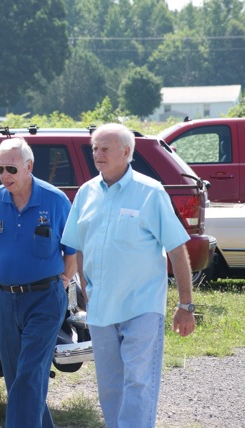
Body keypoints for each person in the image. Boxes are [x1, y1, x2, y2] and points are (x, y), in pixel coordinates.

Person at [60, 123, 195, 428]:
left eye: (105, 148)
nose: (98, 154)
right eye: (95, 148)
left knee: (138, 383)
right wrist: (87, 291)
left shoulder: (150, 192)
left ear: (127, 152)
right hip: (101, 308)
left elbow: (176, 249)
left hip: (141, 306)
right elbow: (79, 246)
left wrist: (185, 305)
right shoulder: (86, 193)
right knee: (110, 387)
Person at [0, 137, 76, 428]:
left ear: (29, 166)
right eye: (0, 169)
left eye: (11, 168)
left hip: (45, 298)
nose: (4, 175)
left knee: (30, 373)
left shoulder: (55, 200)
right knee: (17, 379)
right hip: (4, 299)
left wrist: (65, 280)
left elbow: (72, 250)